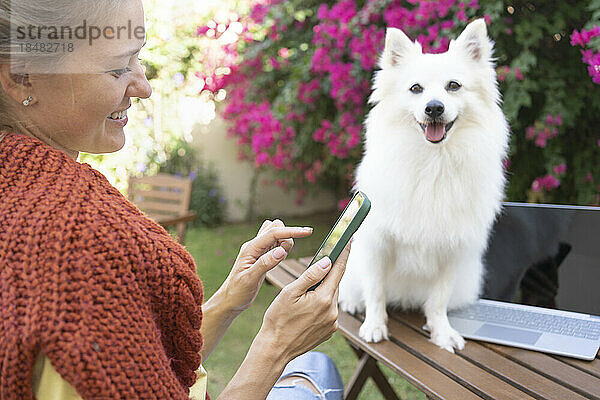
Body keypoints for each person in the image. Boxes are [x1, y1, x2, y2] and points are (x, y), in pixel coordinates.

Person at [0, 0, 348, 399]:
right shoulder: (83, 246)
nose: (143, 87)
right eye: (118, 67)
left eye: (138, 58)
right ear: (22, 77)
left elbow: (137, 362)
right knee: (318, 370)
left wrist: (228, 300)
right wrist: (277, 344)